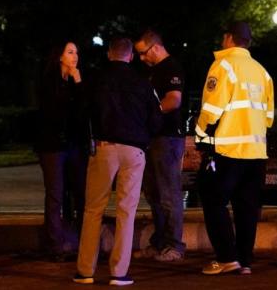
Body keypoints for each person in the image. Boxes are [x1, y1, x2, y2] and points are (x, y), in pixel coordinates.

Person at [74, 37, 161, 286]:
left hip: (104, 148)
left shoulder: (96, 79)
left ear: (109, 54)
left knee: (93, 210)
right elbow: (156, 120)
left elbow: (82, 112)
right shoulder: (142, 83)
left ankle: (85, 270)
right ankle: (119, 272)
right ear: (131, 56)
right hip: (134, 150)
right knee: (126, 211)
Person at [195, 22, 274, 276]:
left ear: (229, 38)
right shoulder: (262, 72)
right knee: (246, 207)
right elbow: (269, 118)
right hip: (256, 151)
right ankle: (245, 261)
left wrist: (199, 135)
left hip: (228, 150)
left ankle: (227, 257)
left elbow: (211, 110)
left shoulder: (223, 66)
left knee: (213, 200)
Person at [133, 29, 187, 262]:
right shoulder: (154, 71)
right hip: (153, 138)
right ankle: (160, 242)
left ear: (155, 47)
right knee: (154, 194)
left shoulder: (171, 68)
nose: (142, 59)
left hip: (167, 137)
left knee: (168, 194)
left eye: (143, 53)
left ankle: (174, 245)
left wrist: (150, 116)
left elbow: (173, 100)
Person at [34, 40, 89, 261]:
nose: (75, 56)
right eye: (70, 52)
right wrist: (75, 86)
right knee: (55, 194)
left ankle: (80, 241)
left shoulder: (75, 81)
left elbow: (84, 111)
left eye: (76, 52)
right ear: (60, 56)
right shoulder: (49, 82)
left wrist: (78, 83)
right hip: (52, 146)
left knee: (80, 193)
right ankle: (55, 245)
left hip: (73, 145)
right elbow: (56, 111)